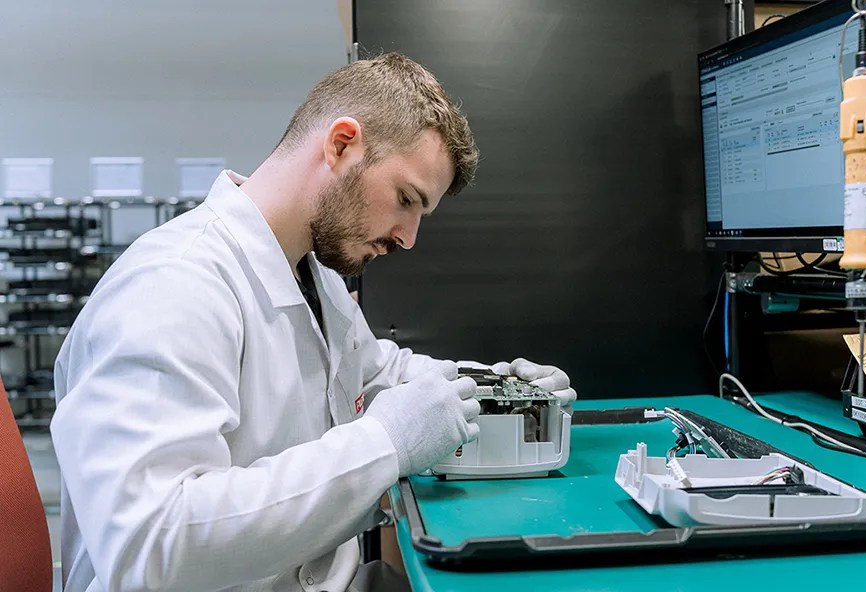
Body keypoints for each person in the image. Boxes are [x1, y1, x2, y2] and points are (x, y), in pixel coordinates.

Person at [50, 53, 576, 592]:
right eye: (405, 200)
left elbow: (377, 375)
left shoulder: (313, 274)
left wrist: (501, 387)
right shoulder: (174, 287)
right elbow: (149, 546)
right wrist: (383, 444)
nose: (408, 237)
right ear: (342, 144)